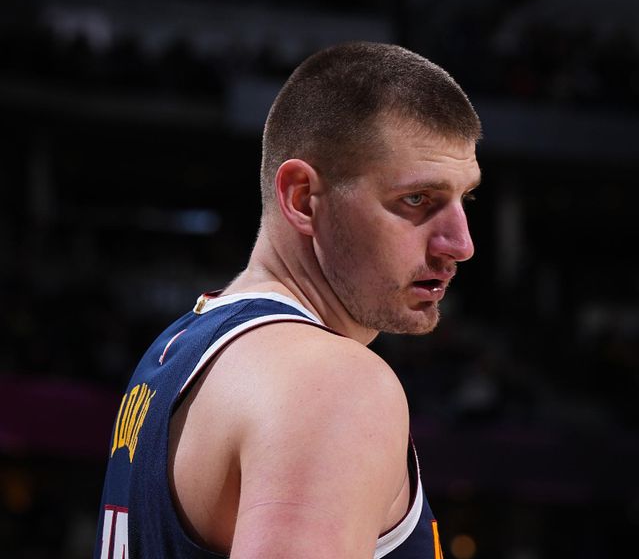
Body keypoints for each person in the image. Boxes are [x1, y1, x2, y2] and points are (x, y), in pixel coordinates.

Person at [94, 41, 482, 559]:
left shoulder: (177, 350)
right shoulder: (331, 383)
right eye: (417, 200)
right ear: (302, 198)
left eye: (466, 198)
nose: (461, 243)